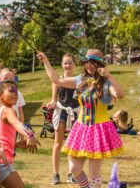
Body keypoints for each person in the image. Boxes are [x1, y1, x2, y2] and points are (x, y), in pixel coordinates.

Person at [37, 49, 124, 188]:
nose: (89, 65)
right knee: (74, 169)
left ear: (100, 65)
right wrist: (45, 61)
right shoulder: (80, 80)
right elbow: (56, 79)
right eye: (87, 62)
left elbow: (119, 94)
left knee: (94, 173)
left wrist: (109, 76)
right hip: (81, 127)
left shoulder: (105, 83)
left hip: (98, 129)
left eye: (93, 63)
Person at [0, 80, 41, 188]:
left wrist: (16, 145)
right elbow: (17, 124)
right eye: (11, 91)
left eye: (16, 91)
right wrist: (29, 134)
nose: (15, 94)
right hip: (2, 163)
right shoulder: (8, 111)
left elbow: (0, 138)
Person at [46, 54, 79, 185]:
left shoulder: (79, 80)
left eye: (70, 63)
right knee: (58, 143)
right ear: (61, 64)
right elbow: (54, 98)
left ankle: (71, 174)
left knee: (72, 145)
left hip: (75, 113)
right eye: (65, 63)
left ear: (74, 65)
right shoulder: (57, 80)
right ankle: (55, 174)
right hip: (62, 112)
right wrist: (52, 102)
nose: (68, 65)